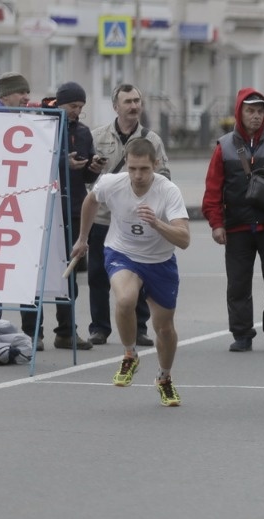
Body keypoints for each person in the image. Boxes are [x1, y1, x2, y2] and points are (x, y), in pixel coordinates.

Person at [72, 137, 190, 406]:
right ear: (125, 164)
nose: (137, 175)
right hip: (122, 253)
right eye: (132, 168)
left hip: (160, 261)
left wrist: (157, 223)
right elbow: (91, 200)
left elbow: (184, 239)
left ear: (156, 165)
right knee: (125, 299)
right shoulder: (113, 183)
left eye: (144, 169)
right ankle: (129, 355)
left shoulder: (168, 191)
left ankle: (164, 378)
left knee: (165, 329)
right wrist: (83, 238)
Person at [202, 88, 264, 353]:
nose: (255, 116)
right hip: (237, 227)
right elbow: (213, 189)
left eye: (260, 111)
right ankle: (242, 334)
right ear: (239, 112)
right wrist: (217, 223)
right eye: (250, 111)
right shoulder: (225, 146)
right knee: (238, 283)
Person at [20, 81, 101, 351]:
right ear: (59, 104)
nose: (77, 111)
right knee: (33, 274)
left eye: (81, 107)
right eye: (73, 106)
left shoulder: (83, 132)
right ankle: (32, 334)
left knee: (68, 274)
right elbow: (30, 166)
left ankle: (66, 331)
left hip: (73, 208)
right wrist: (62, 162)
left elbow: (87, 175)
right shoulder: (39, 126)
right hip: (40, 209)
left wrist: (92, 167)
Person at [89, 83, 171, 347]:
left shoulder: (152, 139)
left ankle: (139, 328)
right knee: (97, 275)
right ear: (116, 106)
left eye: (137, 101)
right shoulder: (97, 136)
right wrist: (91, 169)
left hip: (135, 219)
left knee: (140, 273)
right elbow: (85, 179)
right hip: (102, 217)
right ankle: (99, 328)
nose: (134, 106)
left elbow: (166, 175)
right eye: (128, 102)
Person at [0, 72, 32, 321]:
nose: (26, 97)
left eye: (27, 92)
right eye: (21, 92)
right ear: (6, 95)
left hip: (1, 207)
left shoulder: (9, 118)